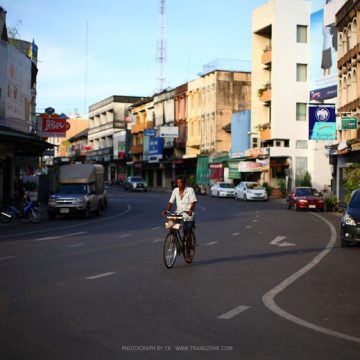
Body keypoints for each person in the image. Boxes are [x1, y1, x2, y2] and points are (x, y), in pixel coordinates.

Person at [162, 176, 197, 256]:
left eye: (180, 182)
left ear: (184, 183)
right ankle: (174, 239)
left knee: (187, 232)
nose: (179, 184)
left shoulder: (190, 190)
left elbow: (193, 202)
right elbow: (171, 202)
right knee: (171, 225)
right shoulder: (175, 190)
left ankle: (188, 251)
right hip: (178, 213)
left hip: (188, 214)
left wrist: (191, 210)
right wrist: (166, 210)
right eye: (178, 182)